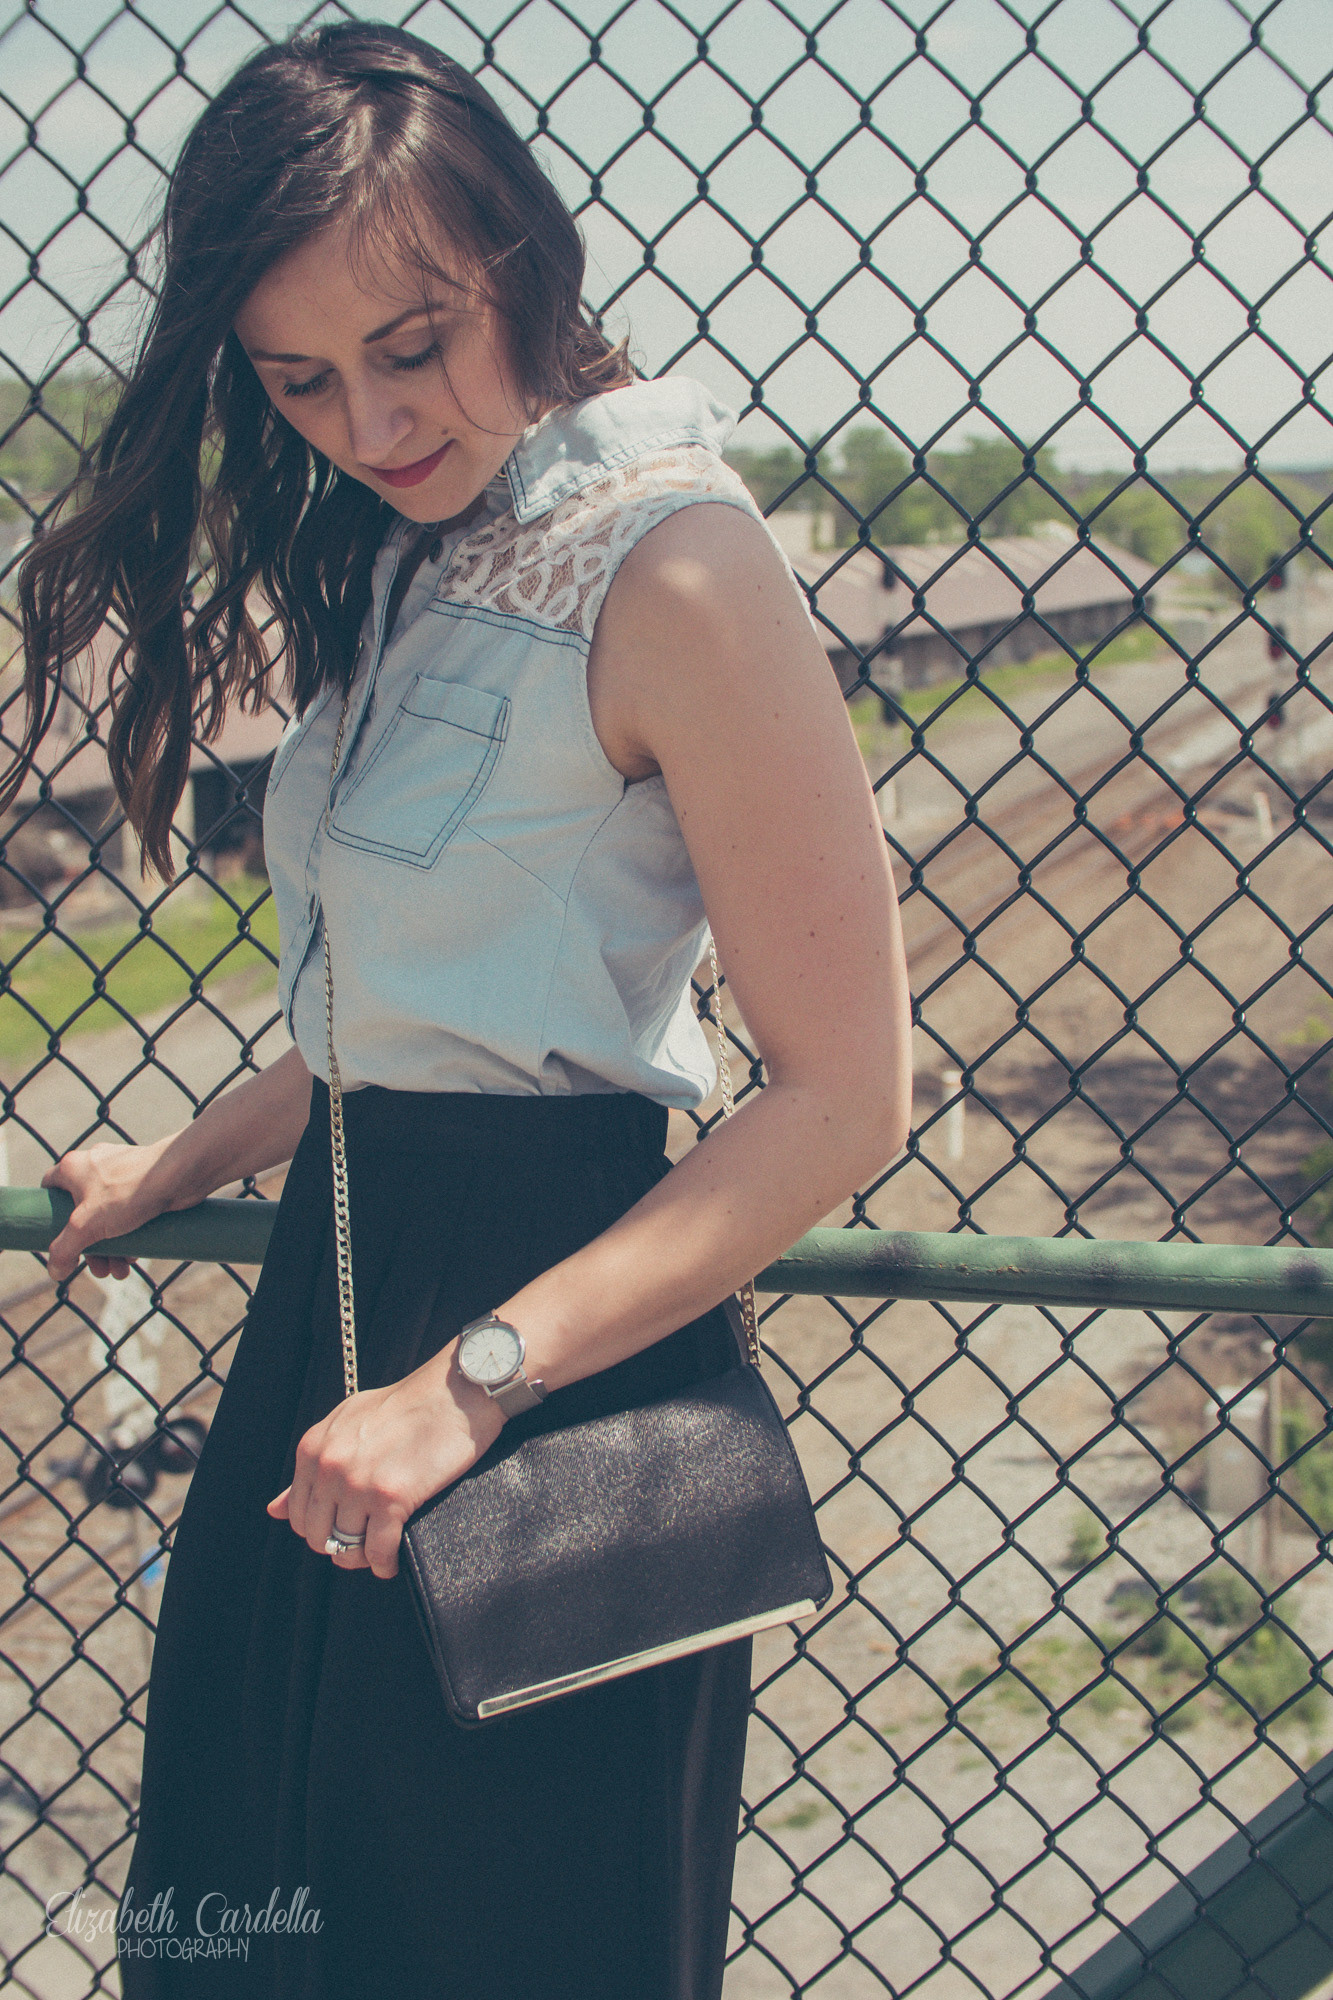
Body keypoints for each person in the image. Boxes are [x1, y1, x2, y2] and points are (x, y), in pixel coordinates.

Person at [10, 22, 911, 1999]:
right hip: (325, 1332)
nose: (370, 417)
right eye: (299, 379)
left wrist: (475, 1379)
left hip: (548, 1350)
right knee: (239, 1918)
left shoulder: (676, 565)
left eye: (411, 344)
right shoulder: (419, 552)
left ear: (525, 260)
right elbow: (406, 1000)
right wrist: (180, 1163)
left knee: (493, 1943)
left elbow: (845, 1098)